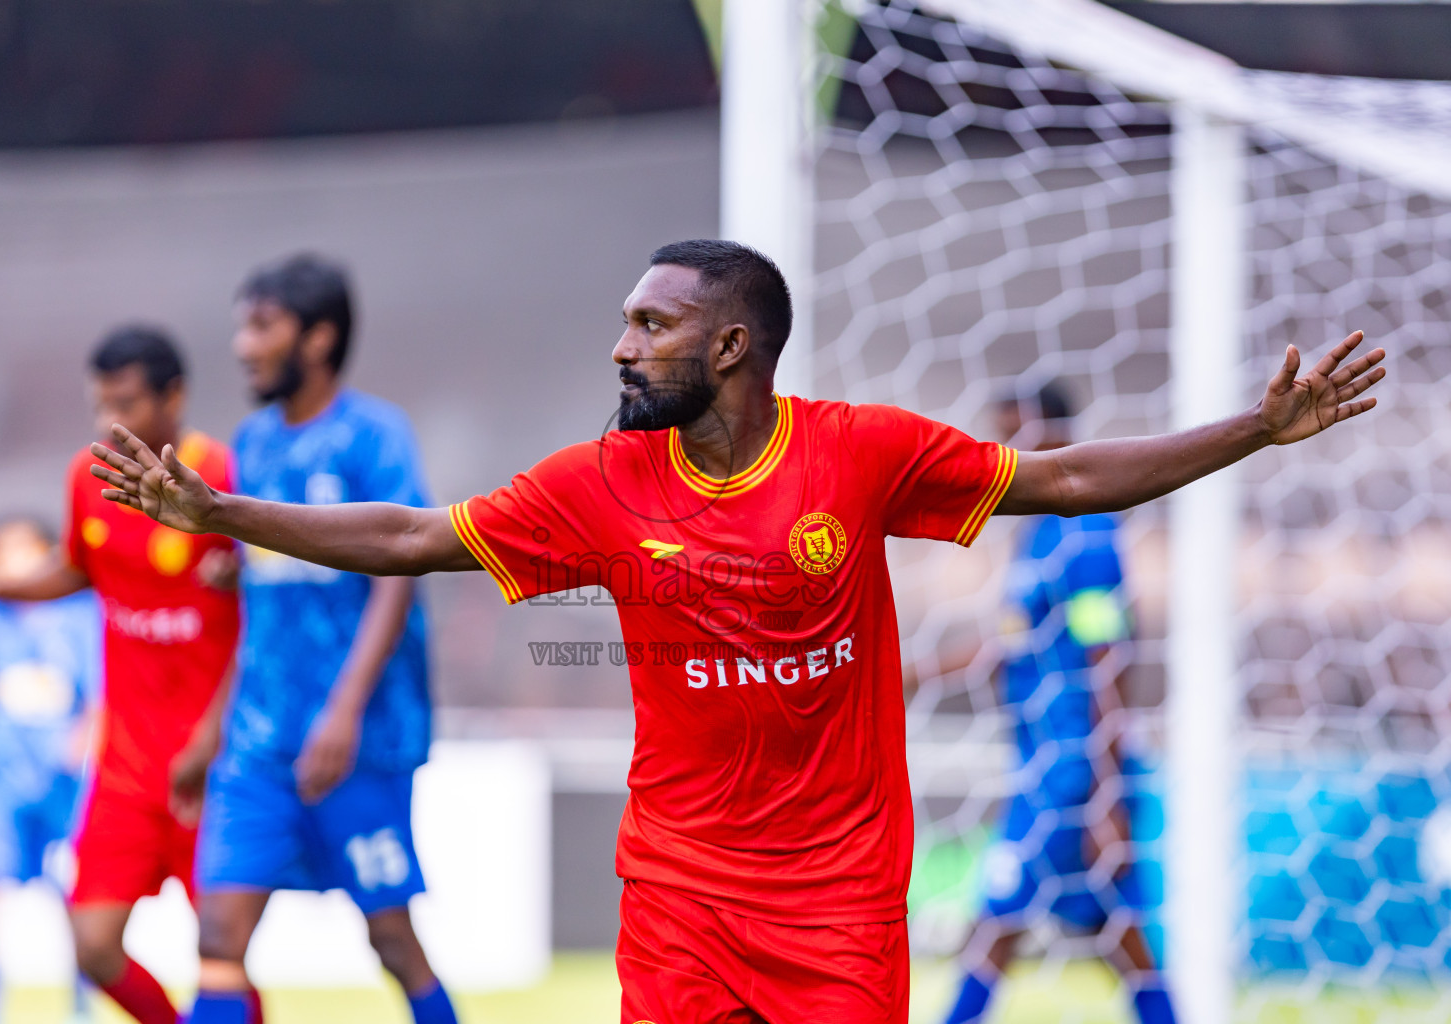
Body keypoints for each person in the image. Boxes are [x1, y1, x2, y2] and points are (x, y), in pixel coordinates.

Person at [87, 239, 1385, 1024]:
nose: (621, 347)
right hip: (680, 895)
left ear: (732, 343)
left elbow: (1068, 479)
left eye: (649, 327)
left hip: (838, 902)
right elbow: (413, 539)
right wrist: (222, 510)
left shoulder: (862, 455)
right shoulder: (600, 481)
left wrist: (1254, 430)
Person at [0, 326, 241, 1024]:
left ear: (175, 397)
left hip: (212, 759)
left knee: (222, 947)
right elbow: (78, 567)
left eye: (126, 403)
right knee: (92, 943)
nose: (110, 422)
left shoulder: (222, 475)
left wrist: (213, 735)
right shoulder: (89, 475)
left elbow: (262, 615)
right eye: (100, 403)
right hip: (126, 764)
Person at [180, 254, 453, 1024]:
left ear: (320, 336)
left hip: (358, 740)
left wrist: (344, 710)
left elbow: (402, 569)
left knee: (392, 940)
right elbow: (266, 593)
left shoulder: (374, 435)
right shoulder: (252, 443)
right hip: (259, 739)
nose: (243, 344)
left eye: (263, 325)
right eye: (243, 325)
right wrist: (212, 727)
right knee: (217, 934)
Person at [939, 382, 1170, 1024]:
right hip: (1043, 760)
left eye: (1013, 433)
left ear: (1058, 436)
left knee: (997, 916)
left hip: (1073, 771)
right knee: (1122, 934)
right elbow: (1011, 648)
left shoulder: (1088, 534)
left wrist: (1107, 792)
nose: (1002, 451)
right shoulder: (1034, 536)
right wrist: (910, 673)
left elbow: (1108, 660)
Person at [0, 517, 100, 1024]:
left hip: (64, 780)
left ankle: (81, 1002)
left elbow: (100, 694)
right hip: (1, 779)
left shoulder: (81, 613)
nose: (13, 565)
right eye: (1, 554)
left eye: (23, 551)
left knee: (77, 896)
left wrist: (86, 742)